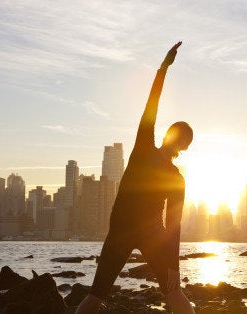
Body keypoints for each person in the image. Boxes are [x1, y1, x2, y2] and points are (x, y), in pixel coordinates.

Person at [75, 42, 195, 314]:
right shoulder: (159, 160)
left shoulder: (162, 165)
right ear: (177, 142)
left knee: (99, 295)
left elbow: (174, 225)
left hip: (139, 231)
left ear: (175, 141)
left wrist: (175, 268)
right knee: (101, 294)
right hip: (134, 231)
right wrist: (163, 68)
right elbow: (152, 104)